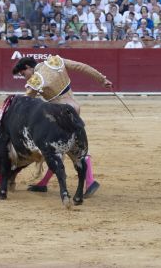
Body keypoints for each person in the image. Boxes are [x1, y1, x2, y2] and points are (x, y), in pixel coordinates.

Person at [12, 55, 113, 197]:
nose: (25, 78)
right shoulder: (55, 61)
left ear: (28, 67)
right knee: (72, 146)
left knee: (56, 149)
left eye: (23, 74)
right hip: (75, 108)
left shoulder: (35, 80)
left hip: (60, 115)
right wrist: (102, 80)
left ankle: (89, 181)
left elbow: (26, 100)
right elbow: (82, 67)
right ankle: (45, 183)